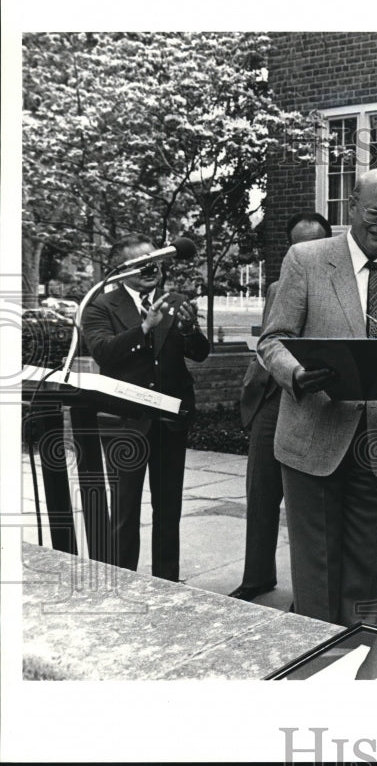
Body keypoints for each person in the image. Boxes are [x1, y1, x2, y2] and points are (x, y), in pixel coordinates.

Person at [257, 169, 377, 625]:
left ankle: (357, 642)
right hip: (313, 432)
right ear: (352, 205)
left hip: (375, 437)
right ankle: (317, 652)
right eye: (375, 212)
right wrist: (297, 375)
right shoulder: (306, 259)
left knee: (363, 554)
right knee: (317, 560)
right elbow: (272, 340)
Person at [81, 233, 210, 581]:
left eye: (153, 258)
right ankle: (124, 582)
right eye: (140, 263)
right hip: (125, 422)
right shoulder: (101, 306)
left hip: (169, 421)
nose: (151, 267)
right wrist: (143, 328)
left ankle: (167, 582)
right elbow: (103, 352)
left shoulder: (176, 300)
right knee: (124, 509)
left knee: (169, 508)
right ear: (120, 271)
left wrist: (189, 329)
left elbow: (198, 352)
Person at [228, 212, 332, 602]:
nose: (301, 252)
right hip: (271, 399)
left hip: (311, 403)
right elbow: (271, 341)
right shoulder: (277, 287)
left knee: (306, 506)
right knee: (260, 495)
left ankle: (308, 592)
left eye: (311, 244)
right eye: (294, 245)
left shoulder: (338, 288)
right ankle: (257, 577)